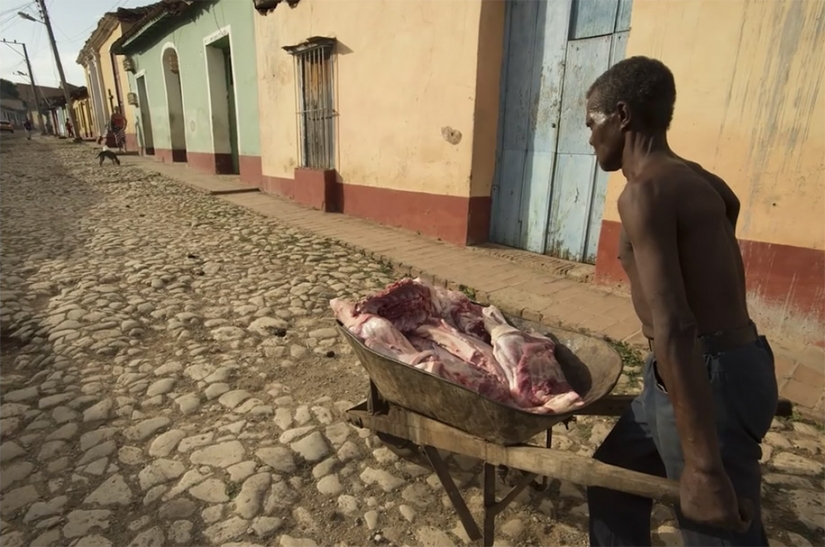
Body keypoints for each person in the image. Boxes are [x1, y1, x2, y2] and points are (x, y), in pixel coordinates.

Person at [583, 56, 778, 547]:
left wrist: (705, 467)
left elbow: (674, 324)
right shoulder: (695, 177)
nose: (590, 138)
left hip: (702, 373)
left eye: (592, 123)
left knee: (716, 523)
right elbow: (729, 207)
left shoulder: (644, 193)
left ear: (622, 116)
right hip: (709, 365)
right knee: (612, 480)